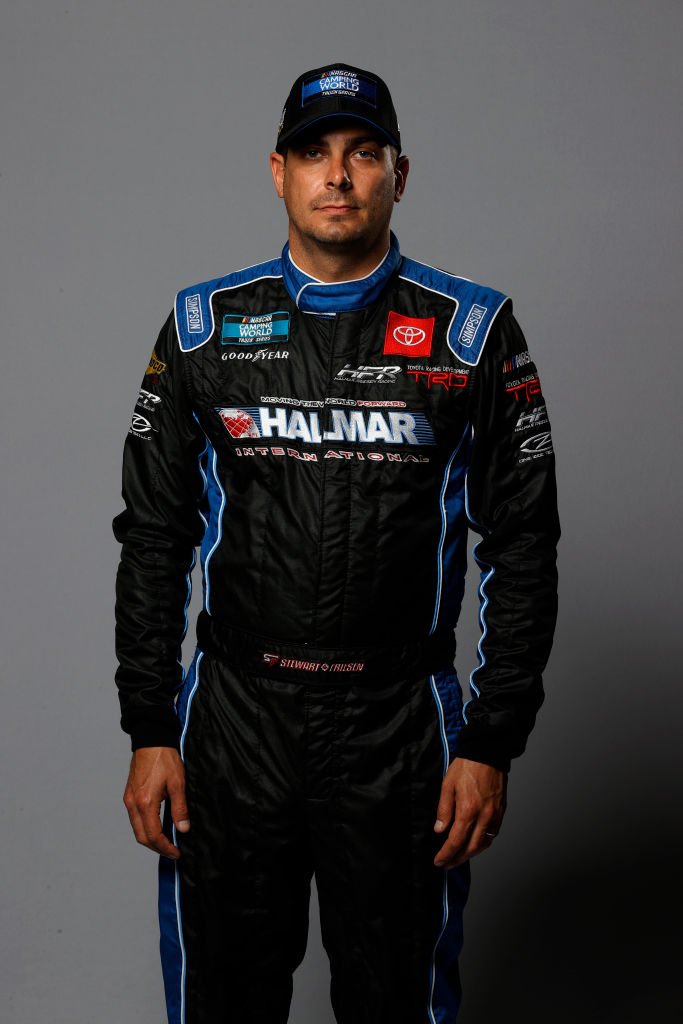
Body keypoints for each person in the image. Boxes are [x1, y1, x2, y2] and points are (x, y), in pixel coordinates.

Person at [114, 62, 560, 1024]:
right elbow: (155, 535)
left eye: (363, 154)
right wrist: (150, 724)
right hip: (235, 725)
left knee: (397, 1005)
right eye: (315, 154)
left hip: (398, 729)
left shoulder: (470, 332)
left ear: (402, 174)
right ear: (277, 171)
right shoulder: (204, 329)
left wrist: (491, 742)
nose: (338, 177)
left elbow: (522, 544)